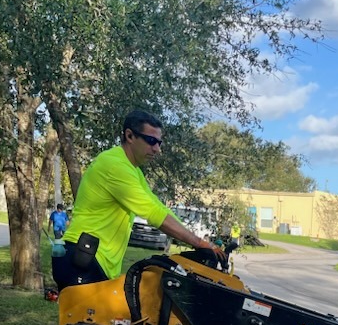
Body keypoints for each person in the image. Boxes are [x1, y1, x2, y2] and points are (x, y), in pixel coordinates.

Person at [54, 109, 225, 291]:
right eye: (151, 141)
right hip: (82, 258)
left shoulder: (133, 170)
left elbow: (159, 207)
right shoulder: (114, 165)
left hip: (94, 260)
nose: (157, 149)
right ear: (129, 135)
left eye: (159, 143)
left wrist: (200, 241)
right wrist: (199, 243)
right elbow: (153, 213)